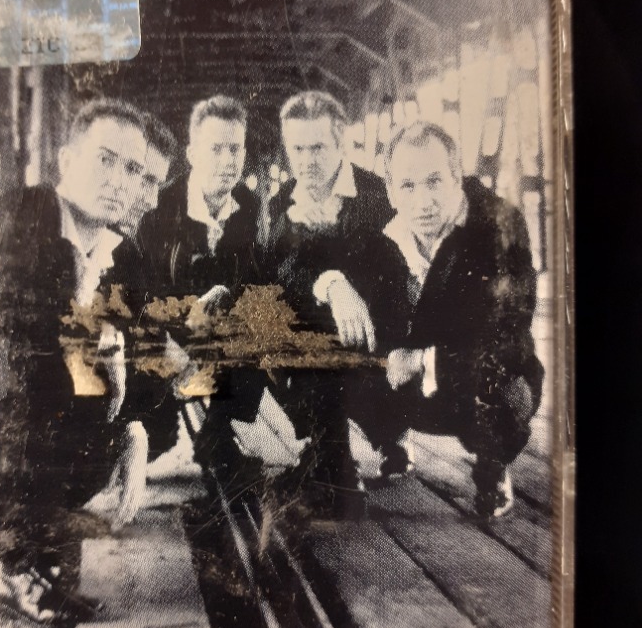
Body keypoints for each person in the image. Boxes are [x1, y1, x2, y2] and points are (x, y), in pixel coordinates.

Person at [0, 98, 176, 624]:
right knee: (68, 394)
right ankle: (18, 570)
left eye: (133, 169)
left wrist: (129, 429)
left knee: (99, 432)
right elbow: (26, 348)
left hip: (2, 411)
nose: (120, 180)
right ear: (67, 160)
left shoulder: (107, 247)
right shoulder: (28, 212)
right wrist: (104, 356)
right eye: (106, 160)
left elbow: (138, 357)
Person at [319, 121, 544, 518]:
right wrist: (336, 285)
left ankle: (492, 465)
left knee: (505, 384)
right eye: (408, 186)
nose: (422, 201)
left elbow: (508, 332)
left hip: (475, 376)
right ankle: (391, 440)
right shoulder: (377, 222)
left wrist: (421, 359)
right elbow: (316, 259)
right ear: (391, 191)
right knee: (329, 346)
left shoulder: (499, 225)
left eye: (434, 181)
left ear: (457, 177)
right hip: (405, 378)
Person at [266, 90, 393, 518]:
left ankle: (344, 461)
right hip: (318, 347)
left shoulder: (378, 196)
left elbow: (390, 274)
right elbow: (280, 273)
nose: (307, 161)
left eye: (318, 147)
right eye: (297, 149)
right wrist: (330, 281)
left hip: (377, 339)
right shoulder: (282, 202)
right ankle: (333, 460)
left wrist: (341, 278)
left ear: (342, 144)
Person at [137, 95, 264, 498]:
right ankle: (158, 428)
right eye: (216, 149)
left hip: (218, 333)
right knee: (157, 441)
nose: (228, 161)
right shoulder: (158, 206)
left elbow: (257, 278)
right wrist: (180, 319)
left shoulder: (250, 207)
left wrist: (228, 295)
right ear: (192, 154)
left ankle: (218, 436)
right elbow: (140, 288)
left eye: (235, 149)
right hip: (165, 336)